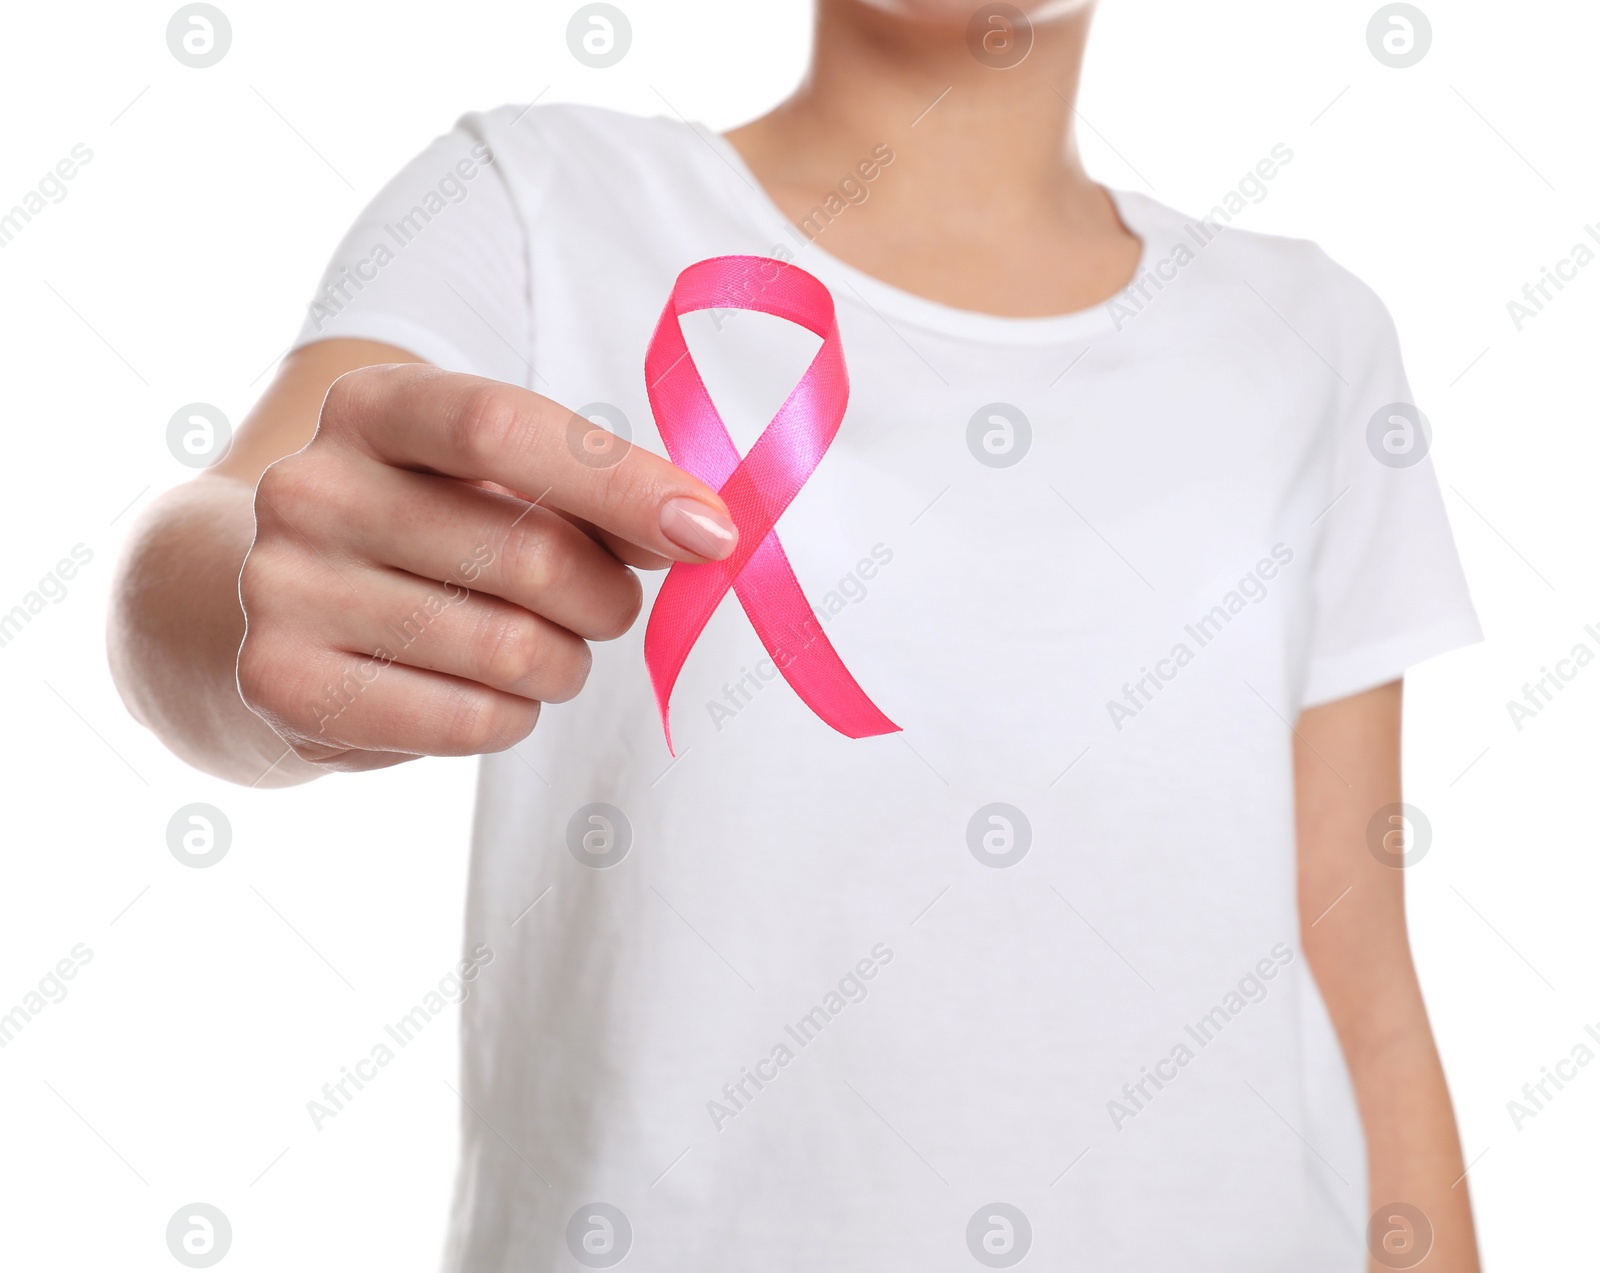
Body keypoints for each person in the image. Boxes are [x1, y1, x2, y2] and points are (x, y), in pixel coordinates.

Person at [107, 1, 1484, 1268]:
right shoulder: (538, 202)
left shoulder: (1313, 337)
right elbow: (230, 532)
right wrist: (247, 606)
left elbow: (1360, 976)